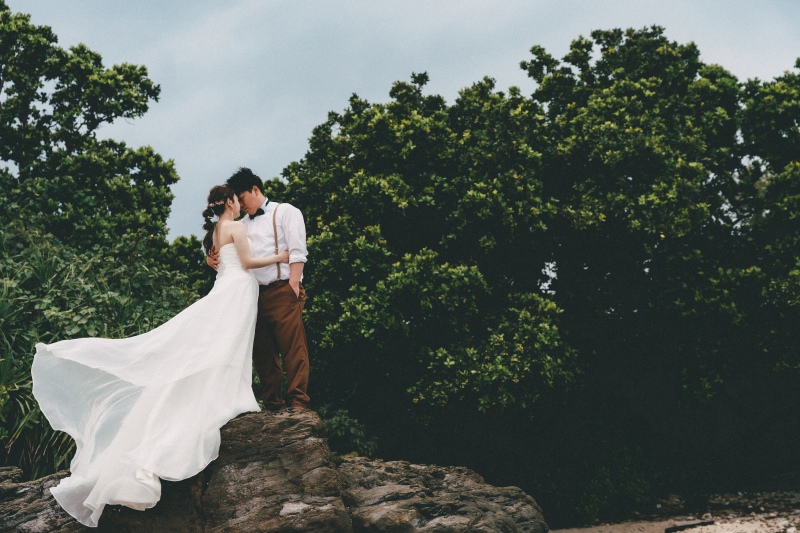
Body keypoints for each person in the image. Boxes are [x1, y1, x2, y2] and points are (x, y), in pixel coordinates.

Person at [31, 185, 288, 528]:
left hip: (229, 288)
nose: (242, 207)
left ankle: (218, 396)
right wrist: (280, 257)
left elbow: (221, 262)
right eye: (238, 202)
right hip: (237, 290)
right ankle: (223, 398)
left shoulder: (217, 229)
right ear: (229, 202)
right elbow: (247, 262)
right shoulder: (236, 227)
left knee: (218, 347)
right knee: (225, 347)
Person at [207, 167, 310, 412]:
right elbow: (227, 252)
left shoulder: (285, 212)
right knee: (262, 353)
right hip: (250, 294)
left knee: (293, 348)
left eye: (242, 199)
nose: (241, 206)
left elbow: (298, 251)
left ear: (255, 189)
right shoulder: (238, 224)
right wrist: (210, 260)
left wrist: (294, 285)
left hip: (281, 288)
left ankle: (299, 401)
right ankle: (273, 403)